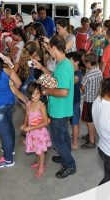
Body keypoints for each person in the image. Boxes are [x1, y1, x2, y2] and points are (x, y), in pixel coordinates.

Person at [33, 35, 76, 178]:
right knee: (63, 136)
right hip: (63, 109)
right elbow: (55, 78)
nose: (47, 50)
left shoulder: (63, 66)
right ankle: (65, 156)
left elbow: (63, 91)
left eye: (48, 47)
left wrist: (46, 91)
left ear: (53, 48)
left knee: (58, 139)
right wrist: (42, 68)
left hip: (59, 109)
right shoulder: (63, 62)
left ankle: (69, 165)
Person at [22, 82, 52, 177]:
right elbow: (27, 116)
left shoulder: (41, 106)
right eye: (32, 94)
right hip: (32, 133)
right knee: (36, 149)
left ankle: (41, 166)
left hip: (39, 133)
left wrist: (31, 127)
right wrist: (24, 124)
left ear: (41, 93)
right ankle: (38, 162)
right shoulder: (29, 104)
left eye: (37, 93)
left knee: (40, 151)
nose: (35, 96)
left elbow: (46, 122)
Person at [81, 52, 103, 148]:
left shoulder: (88, 74)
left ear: (89, 63)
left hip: (89, 101)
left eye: (85, 62)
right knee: (93, 119)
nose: (85, 64)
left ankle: (91, 141)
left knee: (89, 121)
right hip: (96, 100)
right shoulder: (99, 71)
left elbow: (82, 86)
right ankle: (91, 135)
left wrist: (83, 90)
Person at [66, 52, 82, 150]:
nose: (67, 62)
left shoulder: (77, 74)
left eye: (69, 61)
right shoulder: (71, 71)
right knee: (73, 122)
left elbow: (74, 80)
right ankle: (75, 137)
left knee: (74, 122)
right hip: (70, 101)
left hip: (74, 102)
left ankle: (75, 143)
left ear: (76, 62)